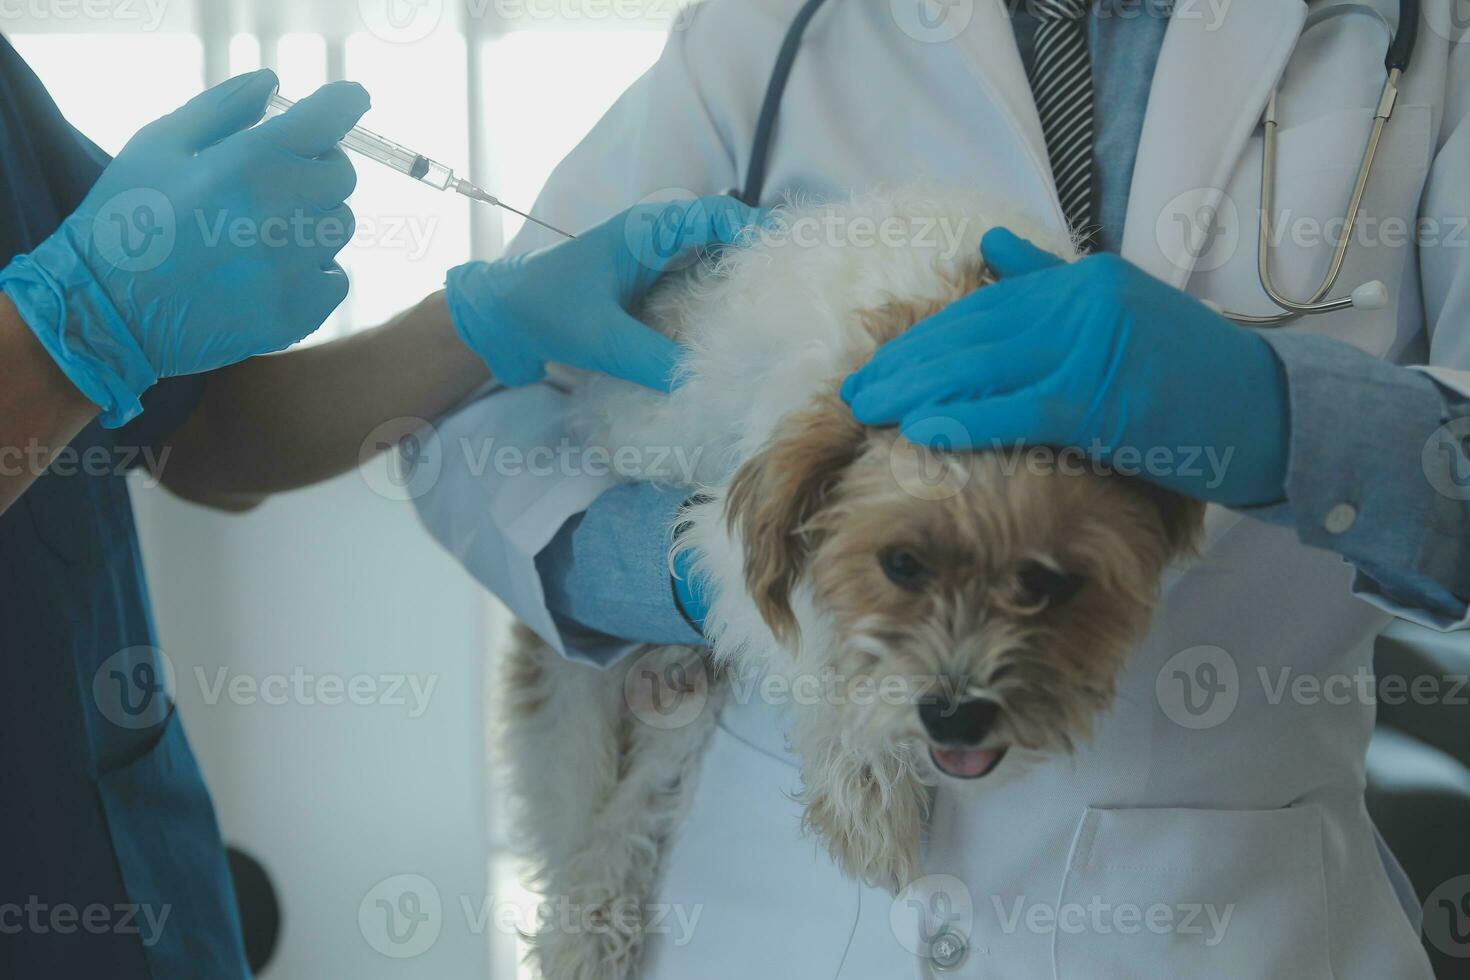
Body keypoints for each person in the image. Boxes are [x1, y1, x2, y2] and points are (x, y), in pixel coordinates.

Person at [413, 0, 1470, 976]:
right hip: (768, 908)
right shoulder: (773, 27)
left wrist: (1289, 421)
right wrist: (701, 570)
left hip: (1227, 918)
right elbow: (468, 418)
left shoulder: (1433, 34)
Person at [0, 35, 750, 976]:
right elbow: (94, 354)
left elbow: (194, 433)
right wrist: (83, 315)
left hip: (128, 874)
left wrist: (485, 321)